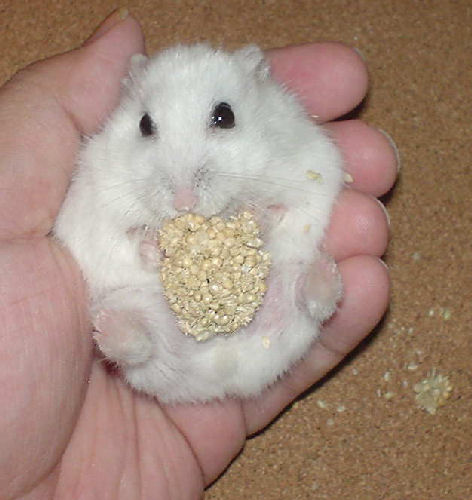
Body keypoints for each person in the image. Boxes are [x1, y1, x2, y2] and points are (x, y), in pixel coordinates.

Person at [0, 9, 397, 499]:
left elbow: (311, 191)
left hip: (264, 351)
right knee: (123, 309)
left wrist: (271, 222)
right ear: (131, 103)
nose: (184, 195)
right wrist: (140, 246)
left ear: (257, 86)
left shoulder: (293, 139)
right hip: (171, 368)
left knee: (297, 272)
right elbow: (93, 250)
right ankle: (140, 345)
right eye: (150, 128)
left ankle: (310, 296)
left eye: (221, 120)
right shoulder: (104, 170)